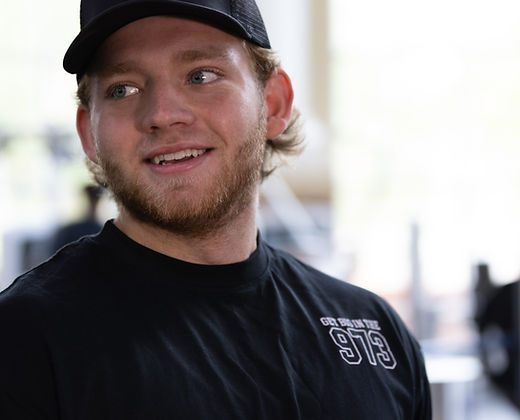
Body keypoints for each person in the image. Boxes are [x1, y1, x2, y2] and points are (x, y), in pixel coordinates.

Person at [0, 0, 431, 418]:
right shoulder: (25, 340)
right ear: (88, 133)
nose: (162, 114)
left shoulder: (375, 331)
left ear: (274, 103)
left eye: (201, 76)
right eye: (122, 89)